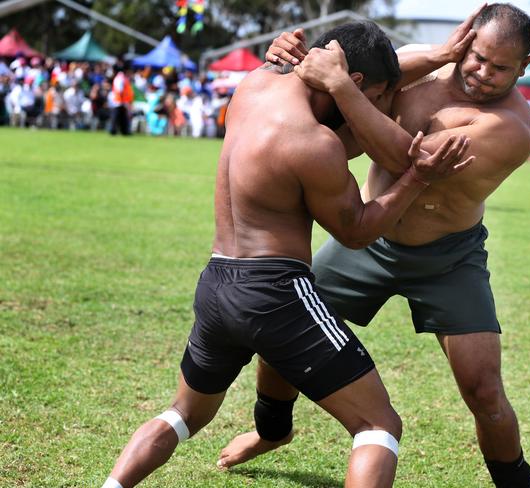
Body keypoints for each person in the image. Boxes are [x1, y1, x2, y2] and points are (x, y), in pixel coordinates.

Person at [101, 21, 473, 488]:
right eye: (376, 97)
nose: (375, 110)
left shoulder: (252, 86)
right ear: (351, 83)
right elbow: (357, 231)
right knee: (378, 425)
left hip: (216, 285)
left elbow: (339, 112)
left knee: (183, 414)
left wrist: (434, 58)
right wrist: (416, 180)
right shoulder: (313, 144)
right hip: (277, 292)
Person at [219, 4, 530, 487]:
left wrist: (341, 84)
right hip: (369, 238)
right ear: (465, 44)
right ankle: (272, 430)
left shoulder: (512, 127)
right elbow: (354, 74)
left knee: (483, 390)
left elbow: (411, 160)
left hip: (448, 258)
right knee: (285, 326)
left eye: (501, 67)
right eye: (477, 57)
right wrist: (296, 59)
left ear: (524, 68)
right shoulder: (419, 68)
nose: (483, 73)